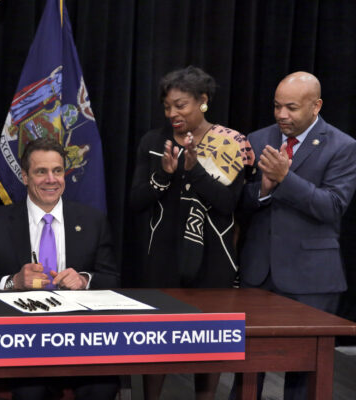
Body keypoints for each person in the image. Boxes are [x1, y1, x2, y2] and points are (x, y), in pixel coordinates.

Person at [129, 66, 253, 400]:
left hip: (214, 259)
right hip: (163, 258)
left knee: (210, 341)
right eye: (167, 106)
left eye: (181, 105)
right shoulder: (154, 142)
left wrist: (194, 170)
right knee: (157, 341)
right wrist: (163, 176)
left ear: (203, 101)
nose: (172, 113)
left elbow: (227, 204)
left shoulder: (231, 143)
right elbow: (136, 201)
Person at [0, 137, 120, 399]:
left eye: (57, 171)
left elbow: (112, 279)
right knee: (30, 392)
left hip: (80, 341)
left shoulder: (93, 221)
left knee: (102, 387)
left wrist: (84, 280)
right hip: (21, 343)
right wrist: (14, 282)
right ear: (25, 177)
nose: (51, 179)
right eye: (41, 172)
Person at [237, 71, 356, 399]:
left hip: (311, 278)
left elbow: (332, 206)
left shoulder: (343, 147)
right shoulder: (257, 139)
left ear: (316, 106)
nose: (282, 115)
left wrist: (285, 179)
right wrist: (262, 190)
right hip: (259, 273)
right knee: (246, 372)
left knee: (303, 378)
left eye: (291, 107)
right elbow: (237, 203)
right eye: (277, 106)